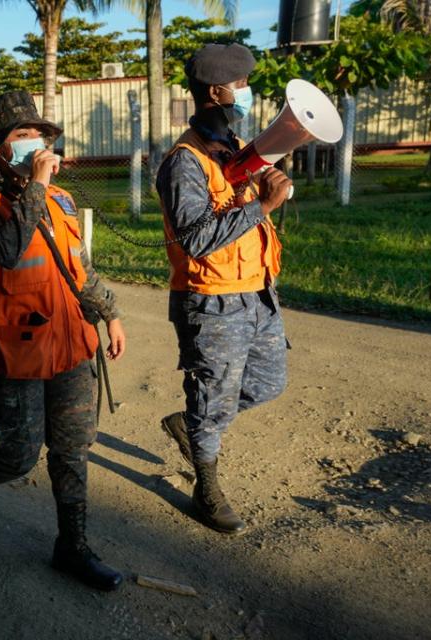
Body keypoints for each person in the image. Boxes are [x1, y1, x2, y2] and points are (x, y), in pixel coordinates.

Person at [0, 91, 126, 592]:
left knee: (72, 451)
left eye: (39, 134)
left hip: (71, 347)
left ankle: (73, 548)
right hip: (15, 353)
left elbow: (79, 269)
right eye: (20, 136)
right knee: (16, 457)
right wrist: (38, 185)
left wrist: (109, 314)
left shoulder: (61, 200)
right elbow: (8, 250)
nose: (34, 143)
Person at [156, 43, 293, 535]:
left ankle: (192, 423)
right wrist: (265, 206)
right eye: (241, 84)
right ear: (216, 91)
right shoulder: (184, 162)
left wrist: (265, 185)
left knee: (269, 383)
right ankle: (206, 485)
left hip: (257, 293)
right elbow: (195, 238)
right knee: (213, 397)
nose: (247, 92)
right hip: (212, 302)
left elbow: (236, 213)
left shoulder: (233, 149)